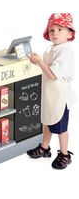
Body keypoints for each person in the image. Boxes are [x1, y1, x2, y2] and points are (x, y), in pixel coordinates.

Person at [27, 13, 76, 169]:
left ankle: (64, 154)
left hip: (59, 97)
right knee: (47, 121)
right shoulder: (52, 49)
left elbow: (54, 74)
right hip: (49, 95)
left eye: (60, 29)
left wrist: (40, 62)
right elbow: (47, 68)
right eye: (52, 30)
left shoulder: (65, 52)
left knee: (61, 127)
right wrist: (38, 62)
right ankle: (44, 147)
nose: (55, 33)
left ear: (69, 34)